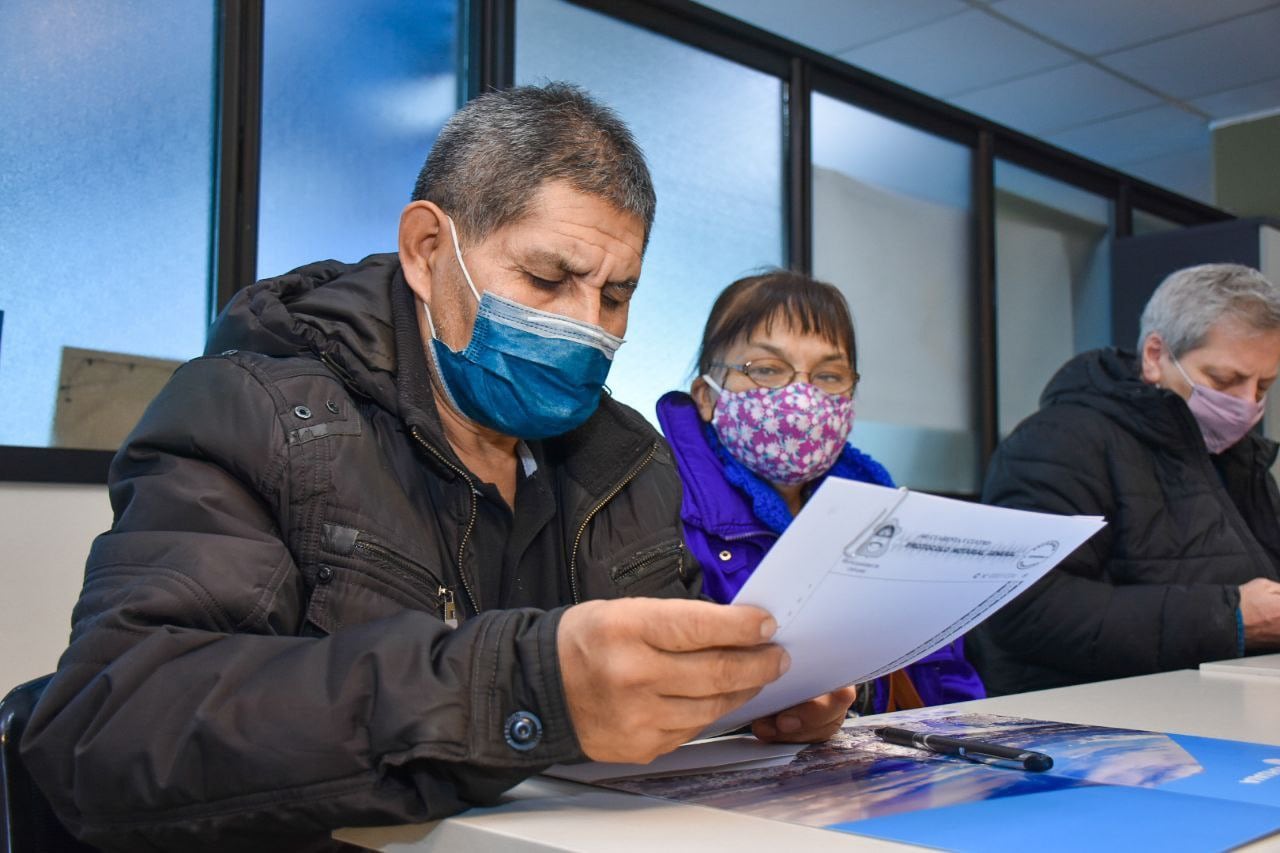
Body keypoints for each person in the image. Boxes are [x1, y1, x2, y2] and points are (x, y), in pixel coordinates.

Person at [21, 85, 853, 853]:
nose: (586, 326)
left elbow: (638, 684)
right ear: (427, 250)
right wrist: (519, 687)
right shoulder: (255, 417)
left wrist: (744, 694)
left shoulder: (628, 459)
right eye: (547, 278)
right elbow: (111, 726)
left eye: (616, 294)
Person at [656, 270, 985, 720]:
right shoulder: (658, 509)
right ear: (706, 396)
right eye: (767, 370)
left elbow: (944, 675)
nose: (801, 398)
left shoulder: (885, 510)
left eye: (829, 376)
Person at [972, 263, 1280, 696]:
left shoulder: (1236, 456)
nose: (1246, 405)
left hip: (1218, 705)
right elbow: (1025, 610)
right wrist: (1230, 616)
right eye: (1224, 380)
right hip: (1096, 728)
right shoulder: (1062, 441)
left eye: (1264, 387)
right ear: (1155, 356)